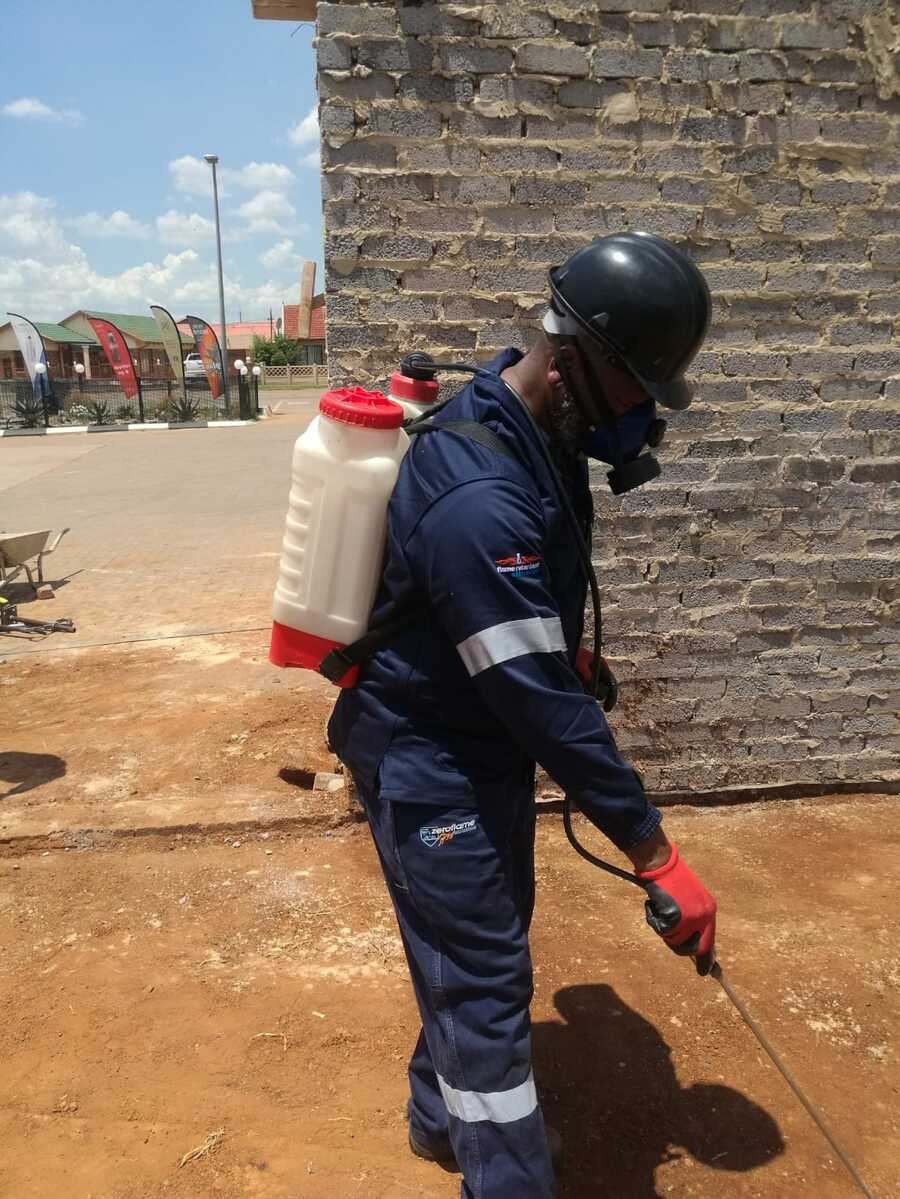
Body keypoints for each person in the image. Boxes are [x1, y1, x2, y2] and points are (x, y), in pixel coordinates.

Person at [328, 231, 718, 1199]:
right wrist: (651, 848)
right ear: (574, 356)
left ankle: (437, 1116)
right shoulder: (479, 494)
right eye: (637, 390)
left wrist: (561, 650)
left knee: (477, 943)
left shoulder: (541, 431)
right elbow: (538, 701)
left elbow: (519, 623)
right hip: (427, 753)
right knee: (485, 972)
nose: (640, 418)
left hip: (478, 733)